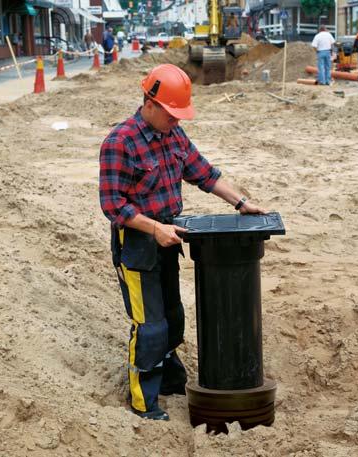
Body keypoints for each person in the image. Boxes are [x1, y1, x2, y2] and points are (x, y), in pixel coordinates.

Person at [99, 64, 266, 421]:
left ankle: (169, 378)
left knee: (173, 317)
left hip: (167, 238)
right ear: (149, 102)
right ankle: (144, 402)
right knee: (151, 326)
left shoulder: (173, 135)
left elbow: (202, 172)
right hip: (137, 244)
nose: (176, 121)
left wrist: (240, 202)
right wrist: (153, 228)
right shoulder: (120, 142)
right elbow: (113, 205)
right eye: (172, 114)